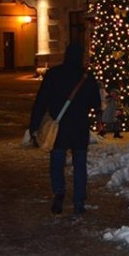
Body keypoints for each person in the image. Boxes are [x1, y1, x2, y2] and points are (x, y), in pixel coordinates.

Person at [29, 43, 101, 216]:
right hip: (79, 128)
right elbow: (95, 103)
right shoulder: (86, 77)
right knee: (80, 165)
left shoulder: (54, 74)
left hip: (58, 128)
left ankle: (59, 192)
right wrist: (97, 117)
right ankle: (78, 202)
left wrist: (34, 125)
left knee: (57, 161)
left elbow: (41, 101)